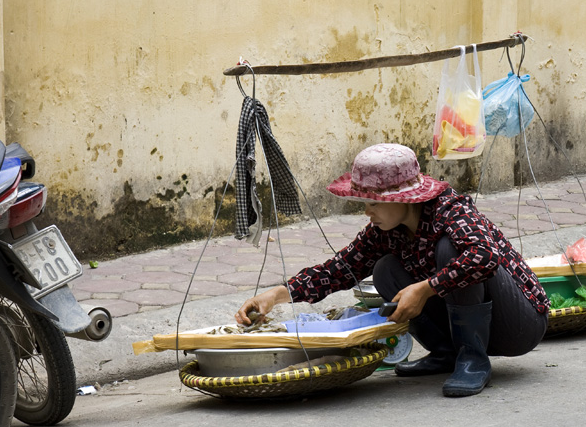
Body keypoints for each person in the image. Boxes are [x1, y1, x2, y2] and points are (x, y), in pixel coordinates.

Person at [235, 143, 548, 397]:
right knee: (385, 269)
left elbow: (484, 256)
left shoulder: (450, 210)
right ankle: (446, 354)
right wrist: (277, 295)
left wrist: (426, 288)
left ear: (403, 199)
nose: (368, 212)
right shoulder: (384, 231)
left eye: (375, 203)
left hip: (519, 324)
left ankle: (472, 360)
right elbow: (340, 269)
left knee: (450, 250)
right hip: (477, 324)